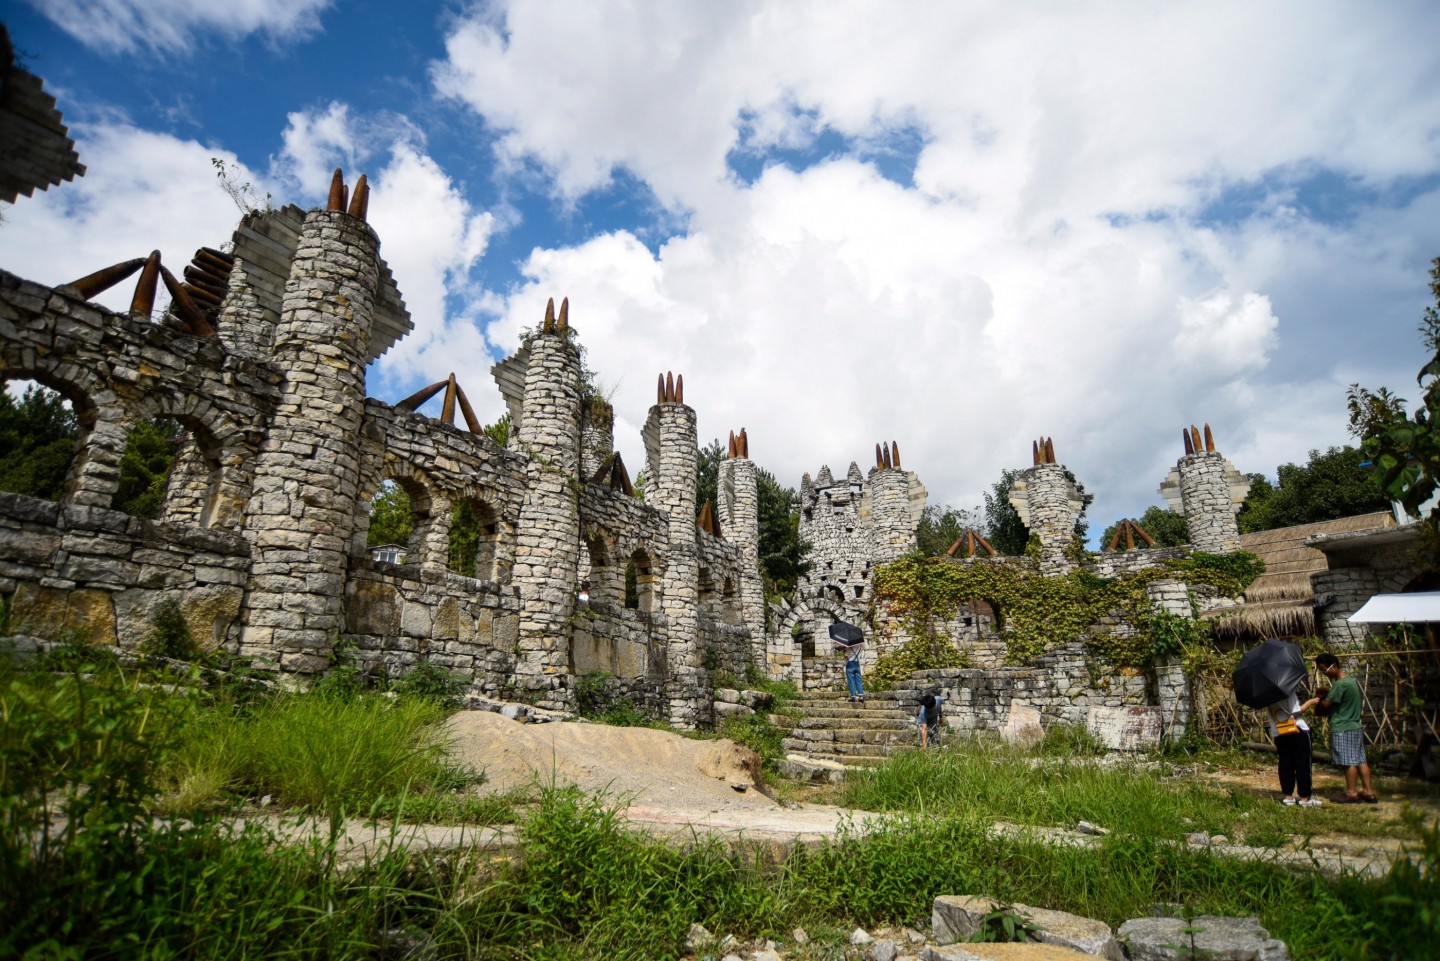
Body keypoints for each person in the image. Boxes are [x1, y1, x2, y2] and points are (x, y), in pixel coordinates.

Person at [1313, 652, 1377, 804]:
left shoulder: (1339, 685)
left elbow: (1325, 706)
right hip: (1355, 726)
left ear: (1334, 666)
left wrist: (1319, 699)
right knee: (1360, 760)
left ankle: (1352, 793)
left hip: (1343, 727)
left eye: (1324, 669)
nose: (1324, 673)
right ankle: (1368, 791)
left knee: (1348, 762)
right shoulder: (1351, 681)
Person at [1264, 691, 1319, 807]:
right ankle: (1305, 798)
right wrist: (1310, 702)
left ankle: (1288, 796)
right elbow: (1295, 712)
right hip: (1297, 730)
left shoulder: (1266, 696)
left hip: (1279, 733)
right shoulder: (1287, 692)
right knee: (1303, 764)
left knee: (1285, 764)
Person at [836, 637, 864, 702]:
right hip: (857, 663)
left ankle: (853, 697)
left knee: (851, 680)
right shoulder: (860, 646)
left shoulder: (849, 647)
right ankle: (861, 697)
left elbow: (846, 657)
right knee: (858, 680)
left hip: (850, 664)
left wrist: (844, 651)